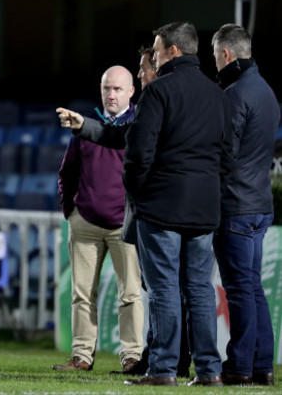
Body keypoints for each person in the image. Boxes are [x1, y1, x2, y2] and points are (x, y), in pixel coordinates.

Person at [119, 22, 234, 387]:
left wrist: (138, 193)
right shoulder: (218, 95)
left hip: (162, 207)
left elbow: (138, 154)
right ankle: (209, 371)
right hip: (204, 209)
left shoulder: (158, 92)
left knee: (165, 288)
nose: (152, 57)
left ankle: (163, 369)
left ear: (172, 51)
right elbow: (228, 156)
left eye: (155, 51)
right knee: (200, 289)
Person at [53, 66, 143, 373]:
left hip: (125, 225)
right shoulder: (85, 127)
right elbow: (67, 172)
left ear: (132, 91)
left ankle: (132, 356)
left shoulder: (140, 123)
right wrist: (72, 212)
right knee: (81, 295)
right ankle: (81, 356)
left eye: (118, 89)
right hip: (86, 223)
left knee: (130, 294)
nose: (111, 95)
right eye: (107, 88)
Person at [211, 24, 279, 386]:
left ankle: (238, 366)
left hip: (235, 205)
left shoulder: (234, 94)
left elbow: (223, 155)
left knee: (239, 289)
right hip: (260, 204)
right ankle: (262, 365)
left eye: (215, 57)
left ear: (226, 55)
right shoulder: (267, 92)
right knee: (252, 287)